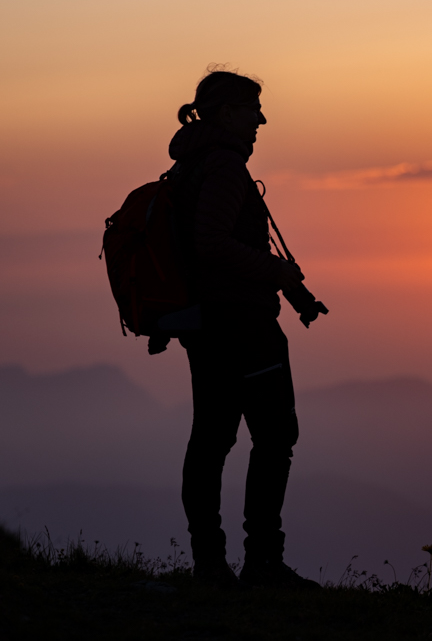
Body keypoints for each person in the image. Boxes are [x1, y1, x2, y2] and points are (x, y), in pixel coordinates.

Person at [168, 68, 321, 588]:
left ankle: (210, 563)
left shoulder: (193, 165)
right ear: (226, 113)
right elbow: (212, 243)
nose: (261, 119)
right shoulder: (226, 167)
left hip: (207, 325)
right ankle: (263, 563)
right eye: (251, 108)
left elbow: (205, 244)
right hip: (243, 325)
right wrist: (277, 273)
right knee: (275, 435)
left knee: (211, 440)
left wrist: (285, 284)